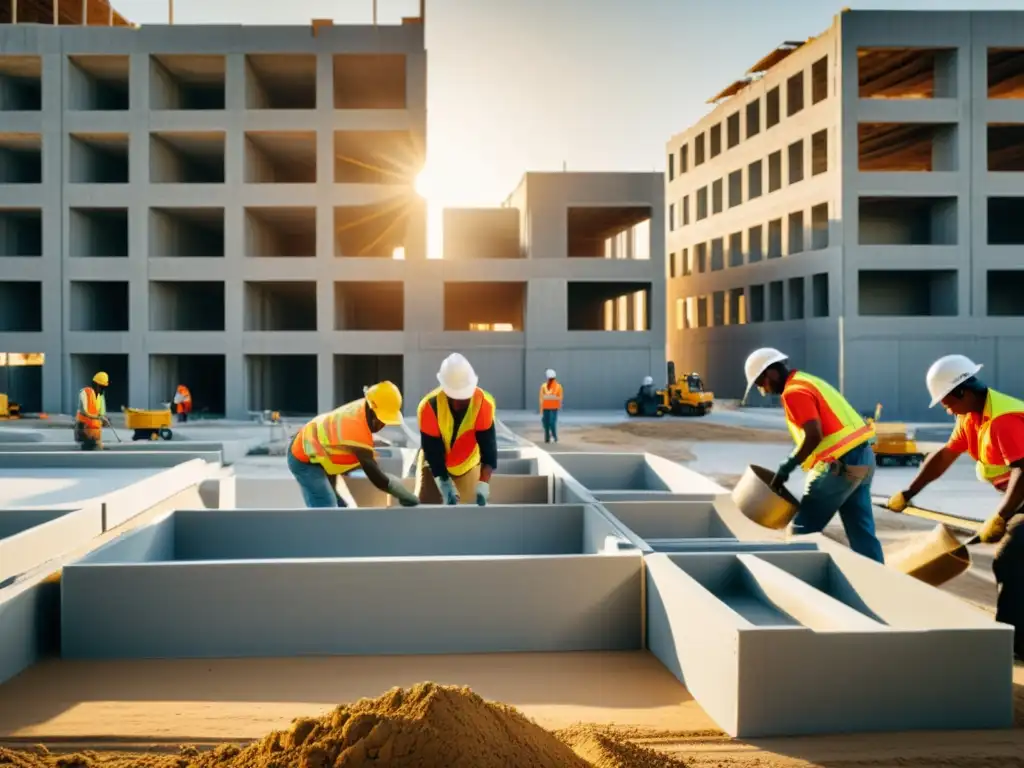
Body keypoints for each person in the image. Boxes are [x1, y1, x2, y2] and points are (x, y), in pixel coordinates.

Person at [886, 354, 1024, 660]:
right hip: (1019, 500)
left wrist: (1001, 517)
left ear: (964, 391)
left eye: (947, 401)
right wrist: (909, 493)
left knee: (1011, 560)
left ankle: (1013, 645)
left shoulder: (1003, 420)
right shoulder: (971, 418)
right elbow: (945, 456)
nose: (946, 408)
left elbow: (1023, 470)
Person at [743, 347, 884, 563]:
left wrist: (787, 467)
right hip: (863, 460)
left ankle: (800, 589)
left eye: (761, 384)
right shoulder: (807, 381)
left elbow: (813, 435)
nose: (764, 390)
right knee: (862, 535)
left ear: (771, 372)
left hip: (839, 466)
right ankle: (879, 586)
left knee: (801, 531)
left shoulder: (793, 392)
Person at [288, 381, 419, 508]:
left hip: (320, 454)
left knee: (340, 508)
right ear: (372, 410)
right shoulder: (356, 429)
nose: (382, 426)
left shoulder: (364, 407)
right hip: (304, 458)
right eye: (381, 420)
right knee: (326, 507)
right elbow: (376, 477)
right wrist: (402, 493)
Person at [416, 353, 498, 506]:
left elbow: (489, 449)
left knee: (467, 513)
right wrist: (445, 484)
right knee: (427, 509)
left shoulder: (483, 404)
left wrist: (483, 483)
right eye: (455, 397)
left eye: (464, 398)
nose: (458, 403)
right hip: (435, 465)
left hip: (468, 464)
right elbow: (433, 453)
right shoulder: (428, 407)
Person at [75, 371, 111, 452]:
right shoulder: (84, 393)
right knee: (89, 449)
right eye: (102, 387)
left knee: (96, 449)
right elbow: (85, 412)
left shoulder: (100, 397)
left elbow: (101, 415)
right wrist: (99, 417)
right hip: (83, 429)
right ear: (96, 385)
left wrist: (104, 420)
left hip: (95, 434)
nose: (103, 390)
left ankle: (96, 444)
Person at [539, 368, 563, 444]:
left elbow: (560, 397)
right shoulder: (543, 386)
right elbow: (541, 397)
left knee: (552, 422)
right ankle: (547, 438)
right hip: (546, 407)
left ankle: (555, 437)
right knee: (546, 423)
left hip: (553, 408)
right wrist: (541, 409)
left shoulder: (558, 386)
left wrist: (549, 398)